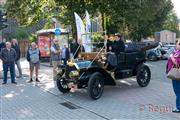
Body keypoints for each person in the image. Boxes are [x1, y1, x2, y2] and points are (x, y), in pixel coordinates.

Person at [166, 40, 180, 113]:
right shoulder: (177, 52)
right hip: (176, 74)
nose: (176, 46)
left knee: (178, 91)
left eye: (177, 44)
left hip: (177, 75)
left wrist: (171, 56)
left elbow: (177, 62)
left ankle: (178, 108)